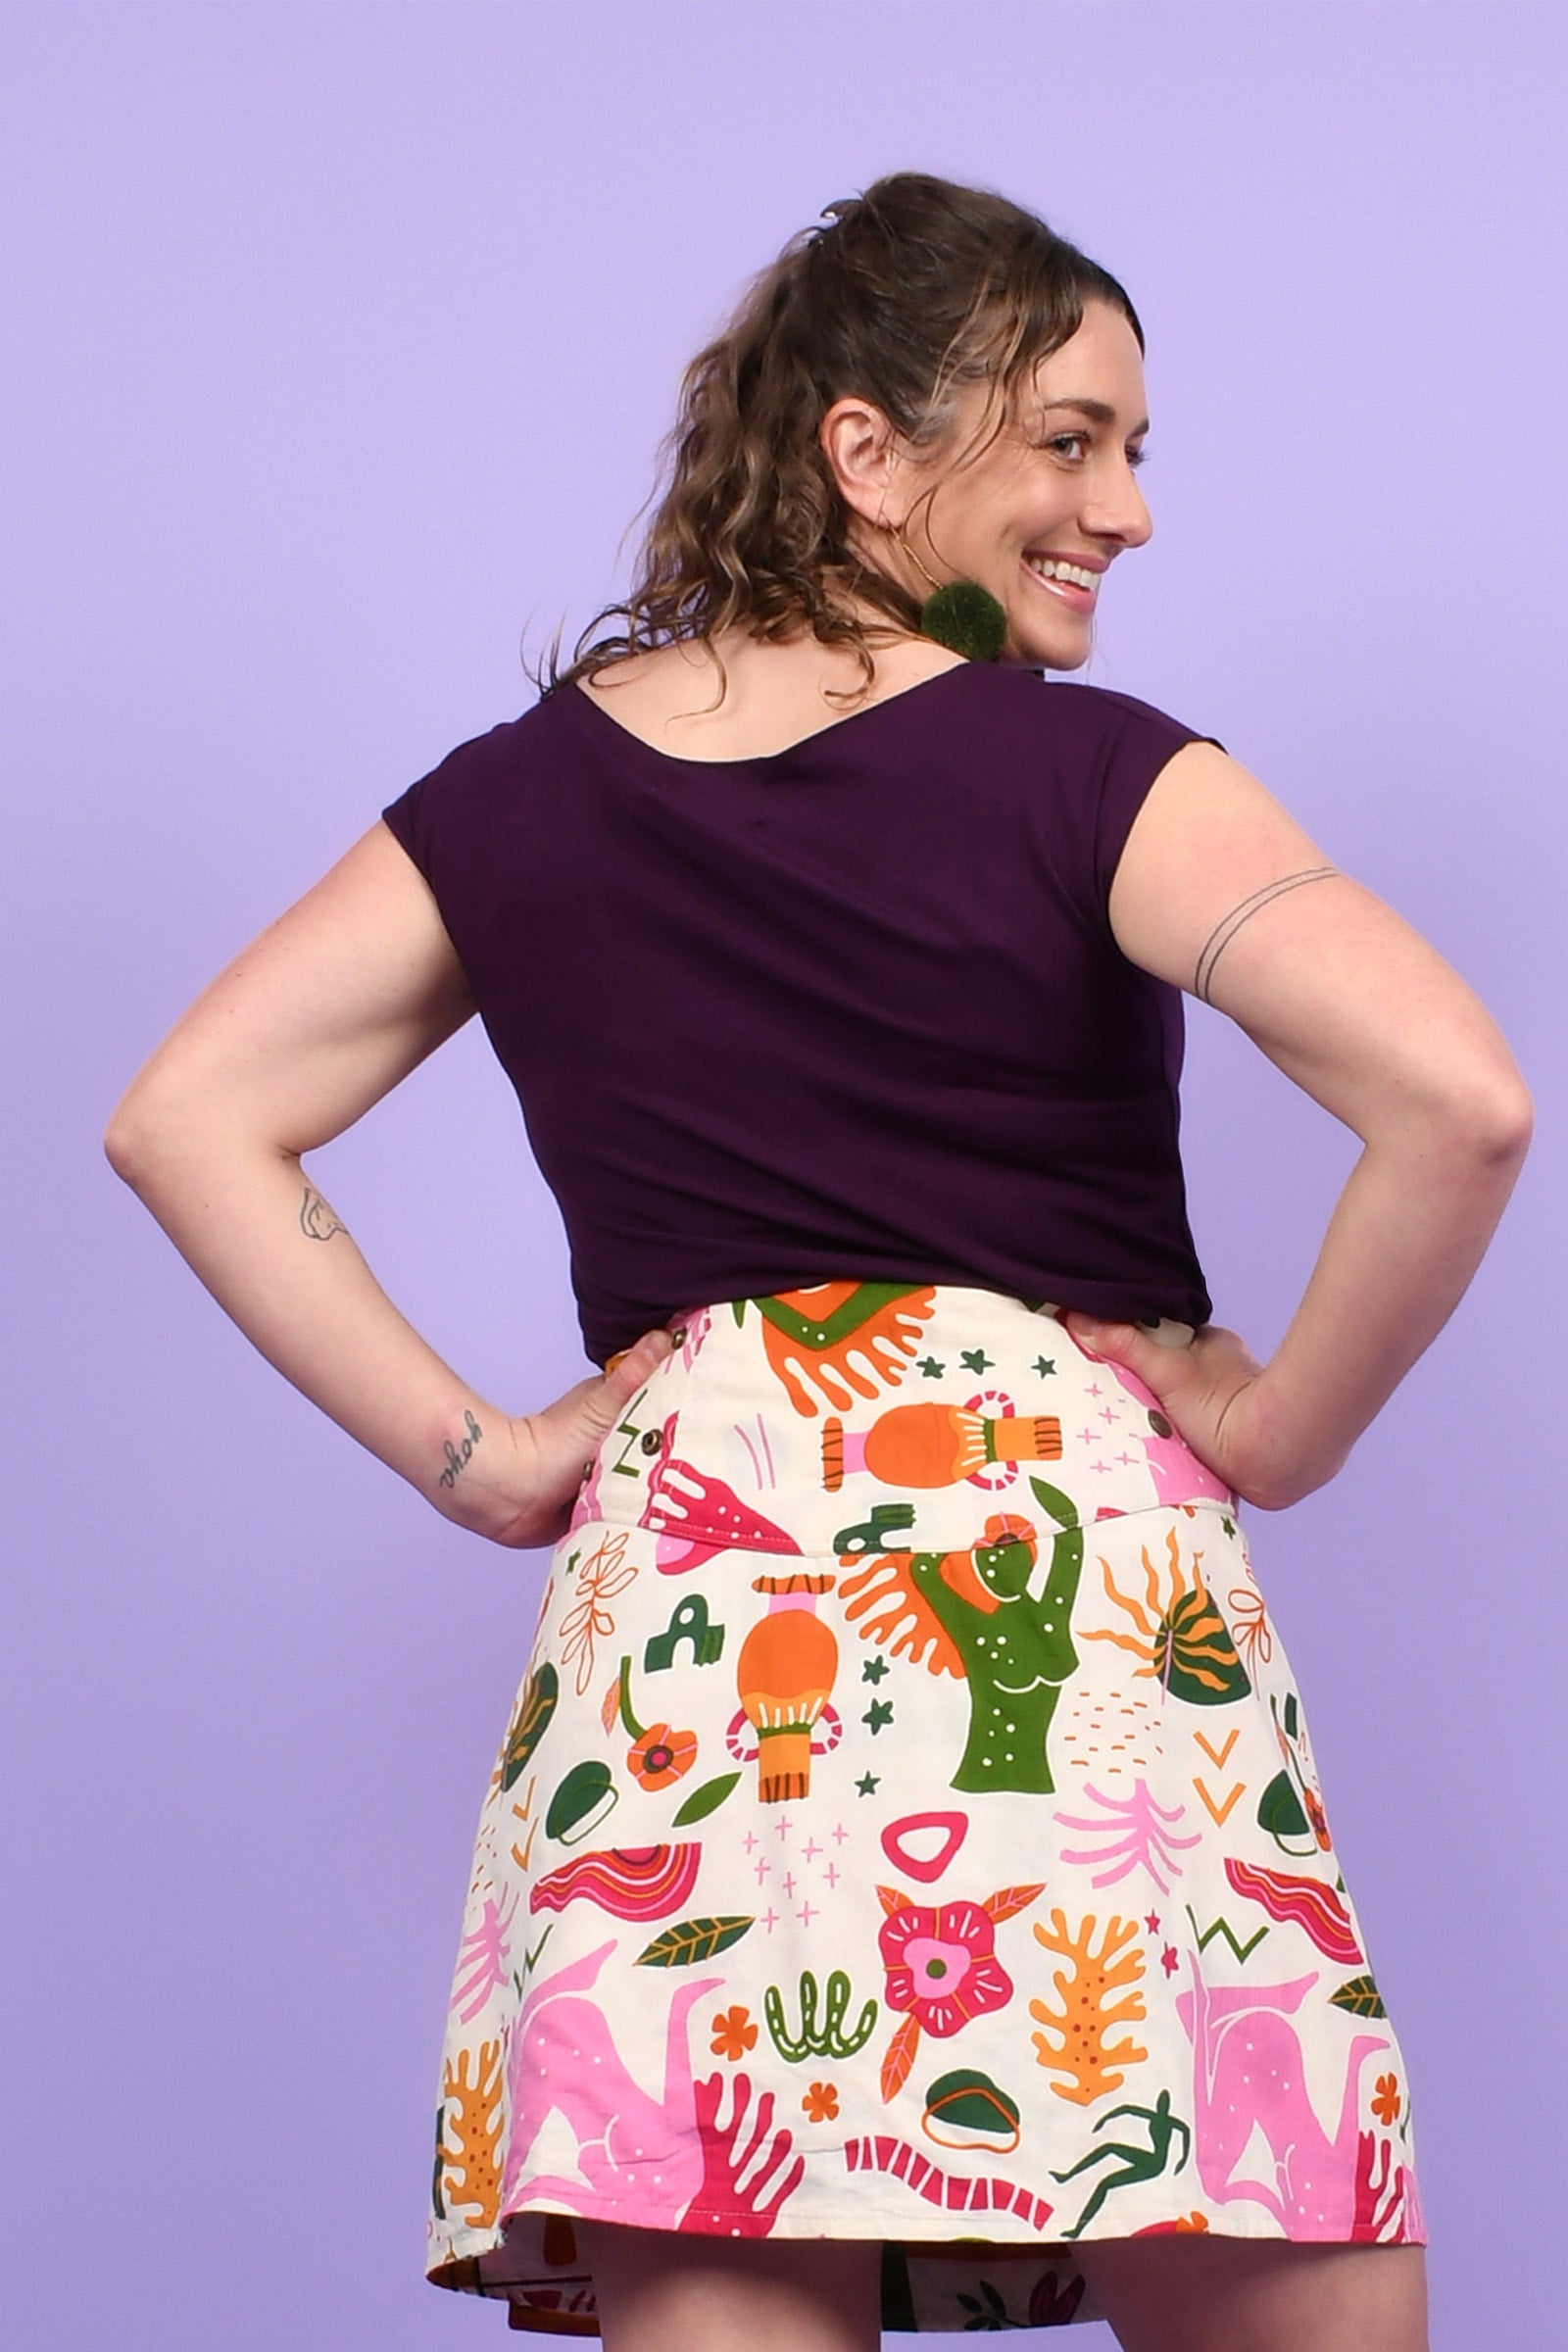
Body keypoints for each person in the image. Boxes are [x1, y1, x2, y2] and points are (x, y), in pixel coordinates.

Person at [104, 172, 1530, 2352]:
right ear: (866, 450)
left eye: (1133, 450)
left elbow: (184, 1114)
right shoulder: (1095, 777)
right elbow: (1459, 1098)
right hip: (1066, 1620)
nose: (1127, 509)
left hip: (692, 1649)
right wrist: (1277, 1428)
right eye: (1070, 440)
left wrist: (485, 1458)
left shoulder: (517, 802)